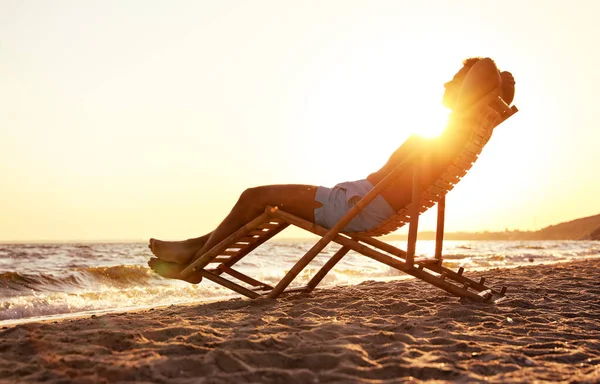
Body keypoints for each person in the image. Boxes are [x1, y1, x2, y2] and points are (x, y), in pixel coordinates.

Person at [148, 57, 516, 284]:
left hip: (356, 205)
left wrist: (484, 71)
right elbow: (489, 78)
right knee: (257, 204)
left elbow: (484, 68)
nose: (446, 83)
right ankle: (191, 249)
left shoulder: (457, 127)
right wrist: (495, 86)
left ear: (471, 89)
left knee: (253, 197)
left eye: (456, 78)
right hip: (361, 201)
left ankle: (193, 262)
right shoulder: (458, 132)